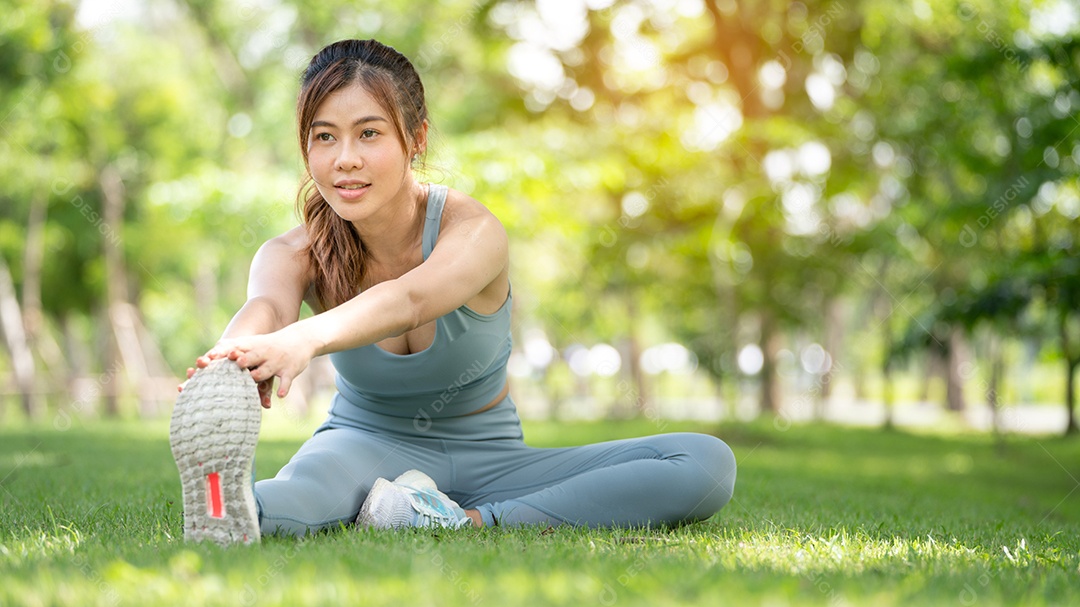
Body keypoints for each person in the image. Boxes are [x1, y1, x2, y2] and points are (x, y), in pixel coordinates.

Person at [170, 38, 737, 544]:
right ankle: (223, 503)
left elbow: (411, 299)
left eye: (369, 133)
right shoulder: (293, 252)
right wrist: (230, 358)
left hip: (494, 459)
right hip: (361, 447)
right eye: (325, 137)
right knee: (270, 508)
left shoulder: (475, 231)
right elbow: (265, 305)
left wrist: (302, 340)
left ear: (414, 139)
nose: (345, 159)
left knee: (705, 462)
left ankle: (464, 520)